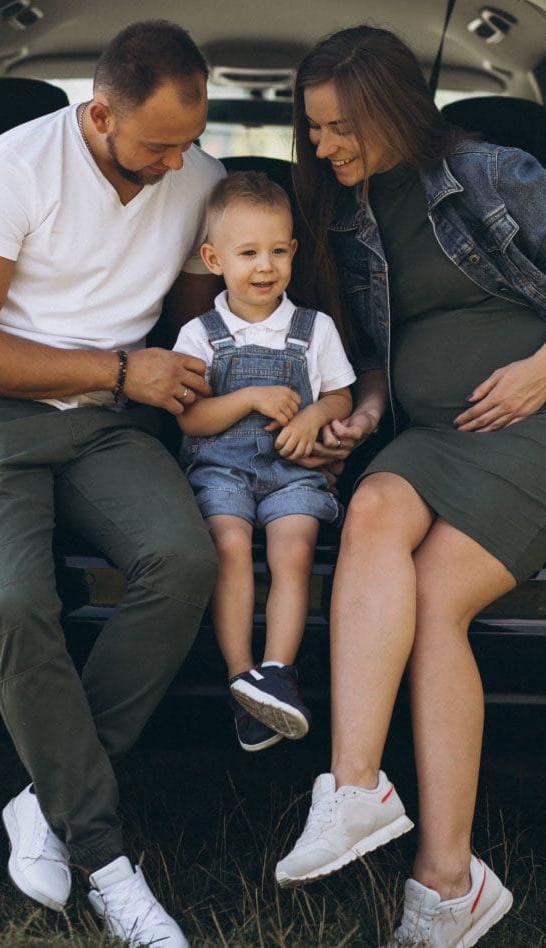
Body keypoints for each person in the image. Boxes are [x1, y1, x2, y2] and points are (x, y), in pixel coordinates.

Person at [274, 26, 546, 947]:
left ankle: (447, 880)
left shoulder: (487, 172)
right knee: (375, 511)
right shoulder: (345, 216)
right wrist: (366, 409)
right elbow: (395, 347)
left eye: (340, 126)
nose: (324, 147)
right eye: (313, 130)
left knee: (434, 603)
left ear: (392, 108)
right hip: (433, 432)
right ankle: (355, 789)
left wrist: (544, 365)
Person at [0, 20, 226, 948]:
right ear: (97, 114)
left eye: (188, 143)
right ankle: (103, 856)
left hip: (107, 423)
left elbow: (202, 329)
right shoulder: (12, 169)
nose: (178, 166)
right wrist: (120, 371)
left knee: (182, 562)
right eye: (158, 146)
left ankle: (44, 804)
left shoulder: (197, 177)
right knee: (16, 603)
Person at [173, 171, 355, 752]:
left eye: (278, 251)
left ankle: (276, 672)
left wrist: (312, 418)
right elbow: (191, 420)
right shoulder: (200, 334)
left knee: (292, 550)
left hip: (291, 471)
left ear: (294, 253)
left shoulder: (313, 329)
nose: (264, 266)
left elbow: (340, 396)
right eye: (247, 253)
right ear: (213, 258)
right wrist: (250, 397)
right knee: (228, 545)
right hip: (220, 469)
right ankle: (241, 677)